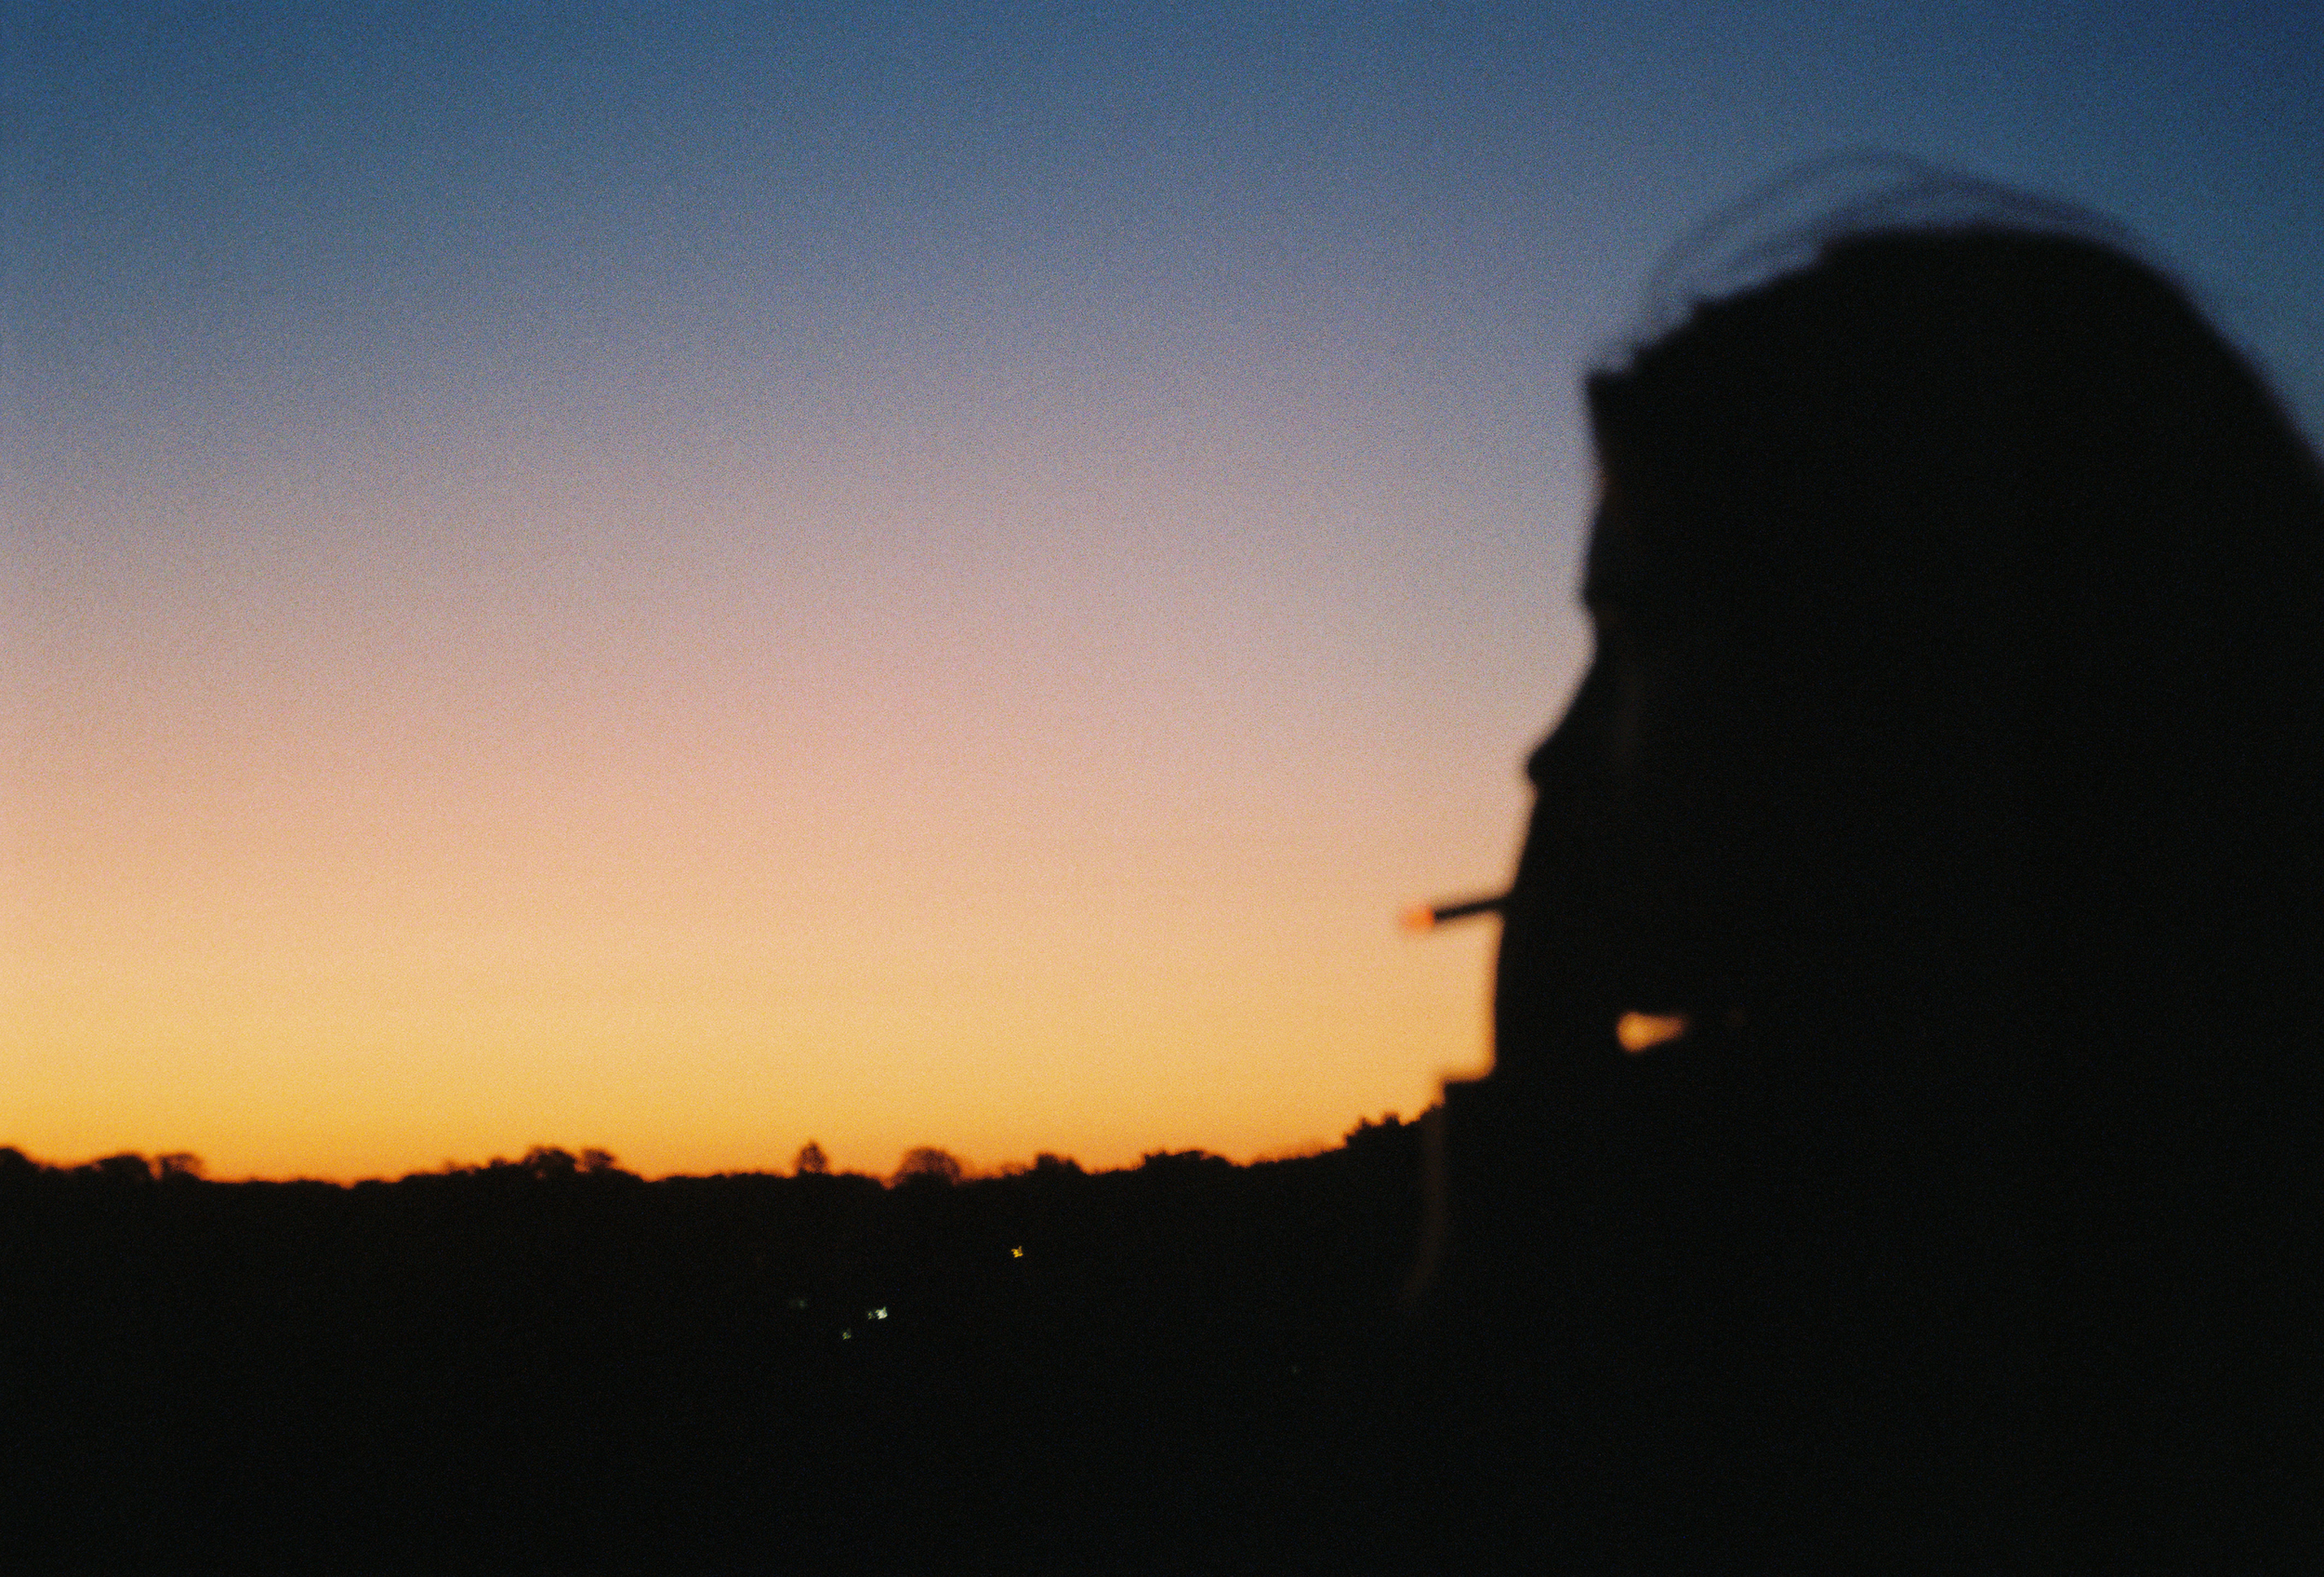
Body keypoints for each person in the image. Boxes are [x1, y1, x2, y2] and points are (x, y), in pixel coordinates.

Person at [1422, 216, 2322, 1565]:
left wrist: (1545, 1156)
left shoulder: (1909, 1318)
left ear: (1910, 667)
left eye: (1640, 633)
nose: (1547, 754)